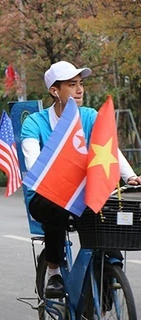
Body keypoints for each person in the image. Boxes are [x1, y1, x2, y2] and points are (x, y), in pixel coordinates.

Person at [21, 61, 141, 298]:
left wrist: (131, 176)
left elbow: (108, 150)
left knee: (109, 213)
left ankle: (108, 270)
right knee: (56, 204)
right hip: (46, 195)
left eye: (81, 84)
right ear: (55, 91)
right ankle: (54, 272)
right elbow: (33, 162)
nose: (80, 90)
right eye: (72, 84)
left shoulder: (90, 116)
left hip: (84, 194)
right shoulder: (35, 123)